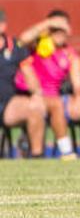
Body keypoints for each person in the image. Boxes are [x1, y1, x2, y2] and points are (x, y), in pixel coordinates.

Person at [14, 9, 80, 160]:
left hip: (57, 98)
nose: (59, 33)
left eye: (62, 29)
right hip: (33, 95)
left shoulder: (70, 53)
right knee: (53, 104)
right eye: (55, 29)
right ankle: (62, 151)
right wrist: (49, 23)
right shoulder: (38, 46)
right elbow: (23, 39)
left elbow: (77, 81)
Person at [0, 9, 47, 158]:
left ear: (2, 26)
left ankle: (36, 158)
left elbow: (29, 75)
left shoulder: (14, 48)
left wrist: (36, 94)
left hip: (7, 103)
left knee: (34, 111)